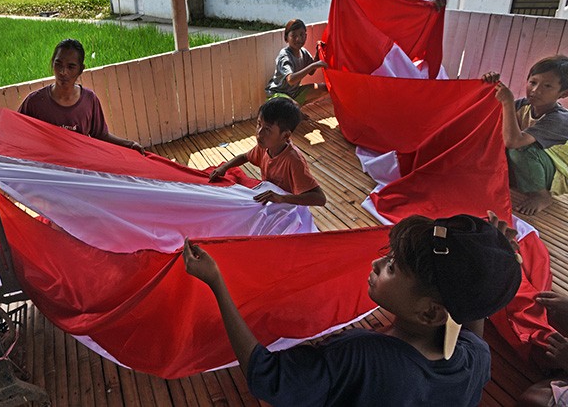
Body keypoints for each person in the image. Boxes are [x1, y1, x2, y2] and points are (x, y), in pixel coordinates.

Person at [183, 211, 522, 406]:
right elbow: (470, 320)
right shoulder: (475, 359)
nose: (376, 264)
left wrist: (217, 282)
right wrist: (489, 266)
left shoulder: (359, 357)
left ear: (431, 313)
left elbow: (267, 377)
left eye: (392, 267)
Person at [18, 38, 146, 154]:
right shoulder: (35, 102)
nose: (63, 72)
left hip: (80, 166)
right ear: (52, 63)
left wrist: (130, 145)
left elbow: (101, 135)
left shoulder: (89, 100)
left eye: (71, 67)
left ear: (81, 69)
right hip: (47, 167)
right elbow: (17, 131)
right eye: (58, 64)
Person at [481, 56, 568, 215]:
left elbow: (513, 142)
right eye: (533, 82)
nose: (535, 90)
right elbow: (492, 117)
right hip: (528, 166)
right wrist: (490, 86)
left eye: (547, 86)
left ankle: (542, 195)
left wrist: (507, 102)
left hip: (553, 174)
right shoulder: (524, 105)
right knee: (494, 135)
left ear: (563, 93)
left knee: (521, 148)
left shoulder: (560, 119)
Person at [209, 97, 326, 206]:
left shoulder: (294, 160)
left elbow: (320, 198)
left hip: (288, 207)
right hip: (270, 200)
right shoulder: (264, 147)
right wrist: (224, 168)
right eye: (259, 124)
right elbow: (244, 157)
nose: (259, 133)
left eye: (268, 129)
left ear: (285, 135)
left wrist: (282, 198)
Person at [264, 19, 328, 107]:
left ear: (306, 36)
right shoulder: (285, 55)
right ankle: (292, 110)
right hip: (278, 94)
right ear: (286, 38)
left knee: (325, 88)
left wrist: (318, 52)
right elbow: (291, 80)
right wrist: (313, 65)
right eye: (293, 36)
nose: (298, 39)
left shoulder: (303, 52)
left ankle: (295, 109)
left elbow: (311, 72)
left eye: (301, 35)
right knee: (293, 105)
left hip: (294, 92)